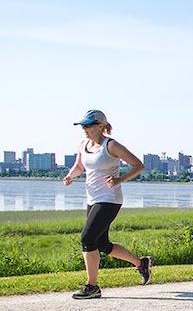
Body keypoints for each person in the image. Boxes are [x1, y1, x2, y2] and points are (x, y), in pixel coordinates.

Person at [63, 109, 152, 299]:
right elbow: (80, 166)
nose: (85, 129)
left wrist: (120, 179)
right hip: (92, 198)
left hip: (110, 199)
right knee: (101, 243)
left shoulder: (111, 145)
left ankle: (92, 287)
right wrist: (71, 175)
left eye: (88, 125)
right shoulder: (83, 144)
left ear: (101, 125)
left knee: (87, 239)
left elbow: (138, 165)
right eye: (83, 126)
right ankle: (141, 263)